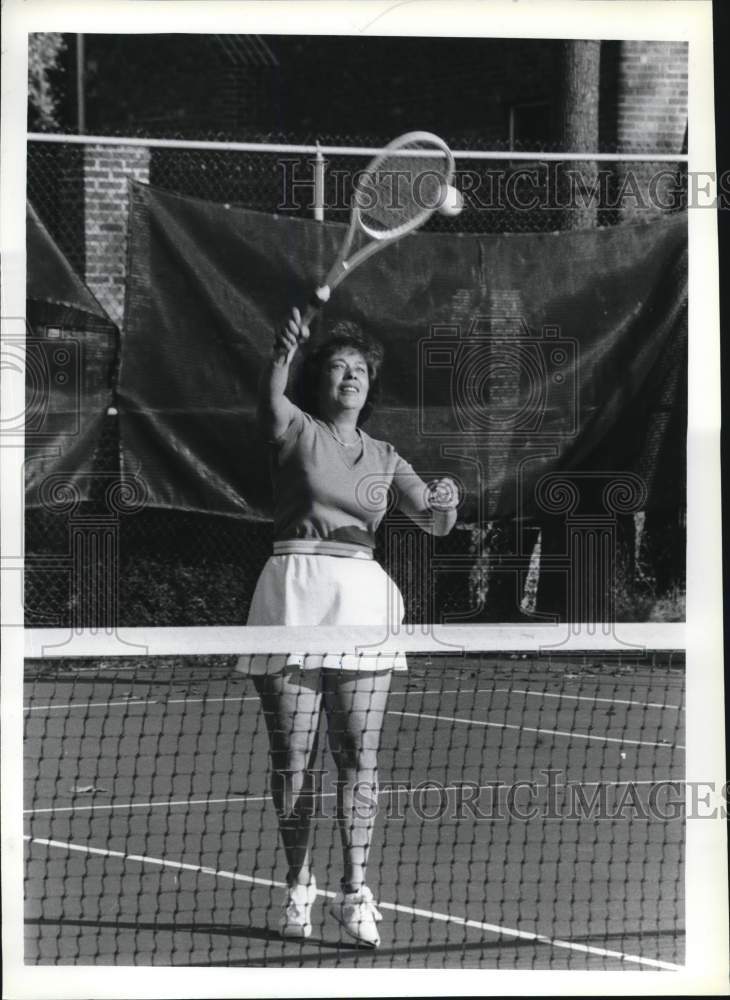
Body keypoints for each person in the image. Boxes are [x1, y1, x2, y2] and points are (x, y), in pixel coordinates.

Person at [237, 307, 458, 947]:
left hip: (361, 599)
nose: (350, 376)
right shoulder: (295, 429)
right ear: (319, 381)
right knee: (293, 757)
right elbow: (269, 399)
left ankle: (355, 890)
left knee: (359, 754)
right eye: (337, 367)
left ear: (370, 385)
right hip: (292, 595)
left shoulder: (387, 457)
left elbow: (433, 522)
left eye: (360, 369)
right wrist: (281, 352)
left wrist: (445, 502)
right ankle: (299, 885)